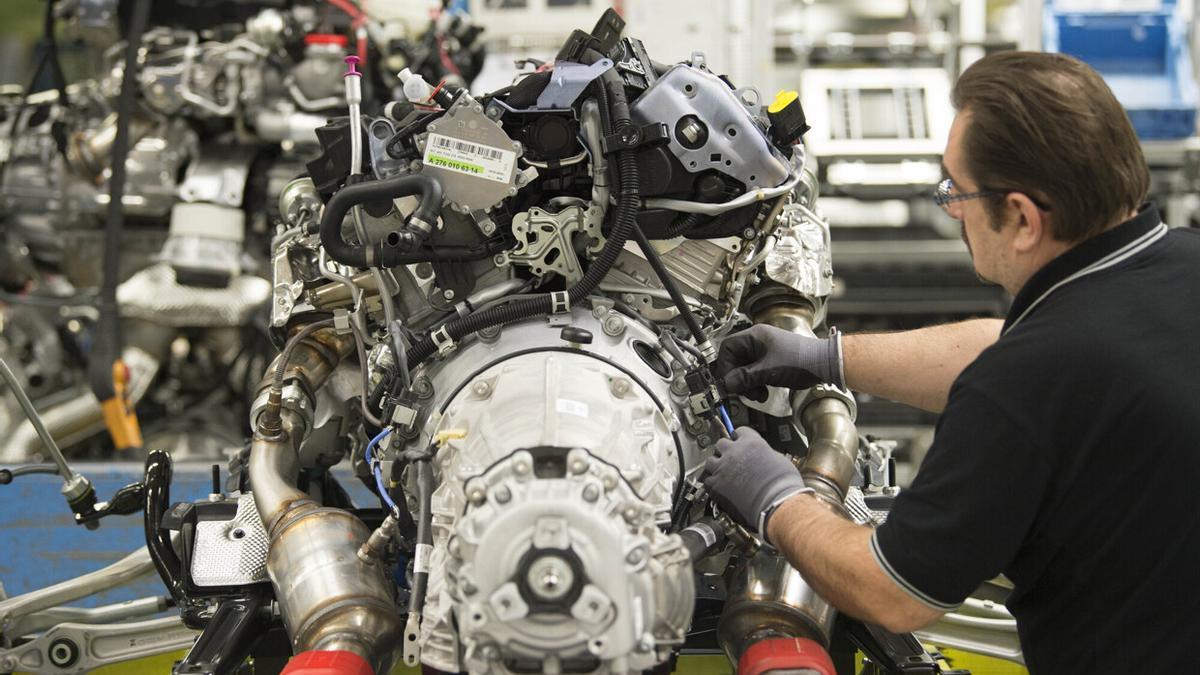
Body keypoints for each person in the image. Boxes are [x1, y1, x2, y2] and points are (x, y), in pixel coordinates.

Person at [704, 50, 1200, 674]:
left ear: (1021, 217)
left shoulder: (1029, 382)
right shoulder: (1176, 263)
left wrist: (777, 499)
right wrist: (825, 357)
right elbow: (1006, 344)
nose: (953, 209)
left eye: (956, 191)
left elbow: (890, 591)